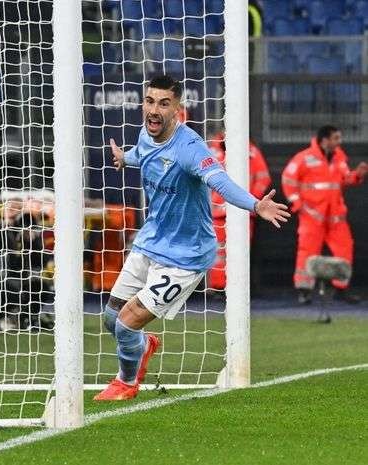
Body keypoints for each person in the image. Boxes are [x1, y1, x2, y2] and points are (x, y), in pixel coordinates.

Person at [95, 75, 289, 401]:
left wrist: (256, 205)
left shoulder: (190, 149)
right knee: (111, 319)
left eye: (164, 103)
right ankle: (145, 346)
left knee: (127, 323)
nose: (154, 110)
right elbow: (143, 153)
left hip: (184, 255)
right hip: (151, 240)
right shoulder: (146, 133)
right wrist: (125, 158)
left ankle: (125, 383)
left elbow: (221, 183)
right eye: (150, 101)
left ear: (178, 109)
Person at [281, 125, 368, 305]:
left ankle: (340, 289)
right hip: (312, 215)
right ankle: (304, 291)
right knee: (307, 252)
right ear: (325, 140)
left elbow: (345, 178)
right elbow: (288, 180)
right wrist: (298, 204)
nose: (339, 142)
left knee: (345, 248)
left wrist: (357, 175)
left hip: (336, 216)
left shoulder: (339, 157)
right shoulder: (304, 158)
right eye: (336, 138)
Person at [207, 133, 271, 291]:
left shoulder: (251, 151)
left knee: (240, 250)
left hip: (242, 211)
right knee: (218, 251)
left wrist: (252, 202)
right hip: (217, 212)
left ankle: (238, 287)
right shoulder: (210, 150)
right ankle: (218, 287)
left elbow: (263, 178)